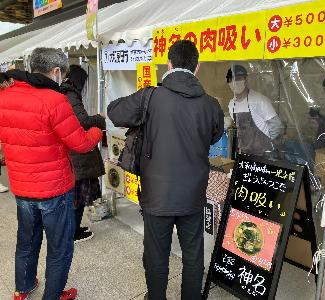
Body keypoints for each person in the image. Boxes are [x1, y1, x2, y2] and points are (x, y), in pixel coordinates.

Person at [108, 40, 224, 300]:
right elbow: (215, 135)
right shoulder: (211, 104)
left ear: (168, 64)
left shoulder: (150, 96)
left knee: (156, 254)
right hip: (193, 194)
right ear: (197, 67)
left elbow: (114, 112)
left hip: (156, 194)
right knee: (193, 256)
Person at [0, 48, 103, 300]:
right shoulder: (54, 100)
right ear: (56, 72)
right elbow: (80, 143)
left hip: (22, 188)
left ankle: (22, 289)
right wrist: (98, 130)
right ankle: (54, 295)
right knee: (59, 248)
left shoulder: (5, 97)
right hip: (54, 190)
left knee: (26, 241)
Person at [61, 65, 106, 243]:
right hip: (77, 152)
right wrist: (100, 117)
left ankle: (72, 230)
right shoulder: (71, 95)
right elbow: (83, 121)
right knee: (77, 197)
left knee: (74, 196)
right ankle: (73, 233)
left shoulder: (63, 92)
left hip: (70, 151)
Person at [227, 65, 283, 157]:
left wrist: (265, 142)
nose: (235, 82)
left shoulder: (259, 100)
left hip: (264, 154)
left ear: (246, 80)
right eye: (232, 80)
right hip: (245, 153)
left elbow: (277, 125)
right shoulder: (231, 104)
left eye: (239, 79)